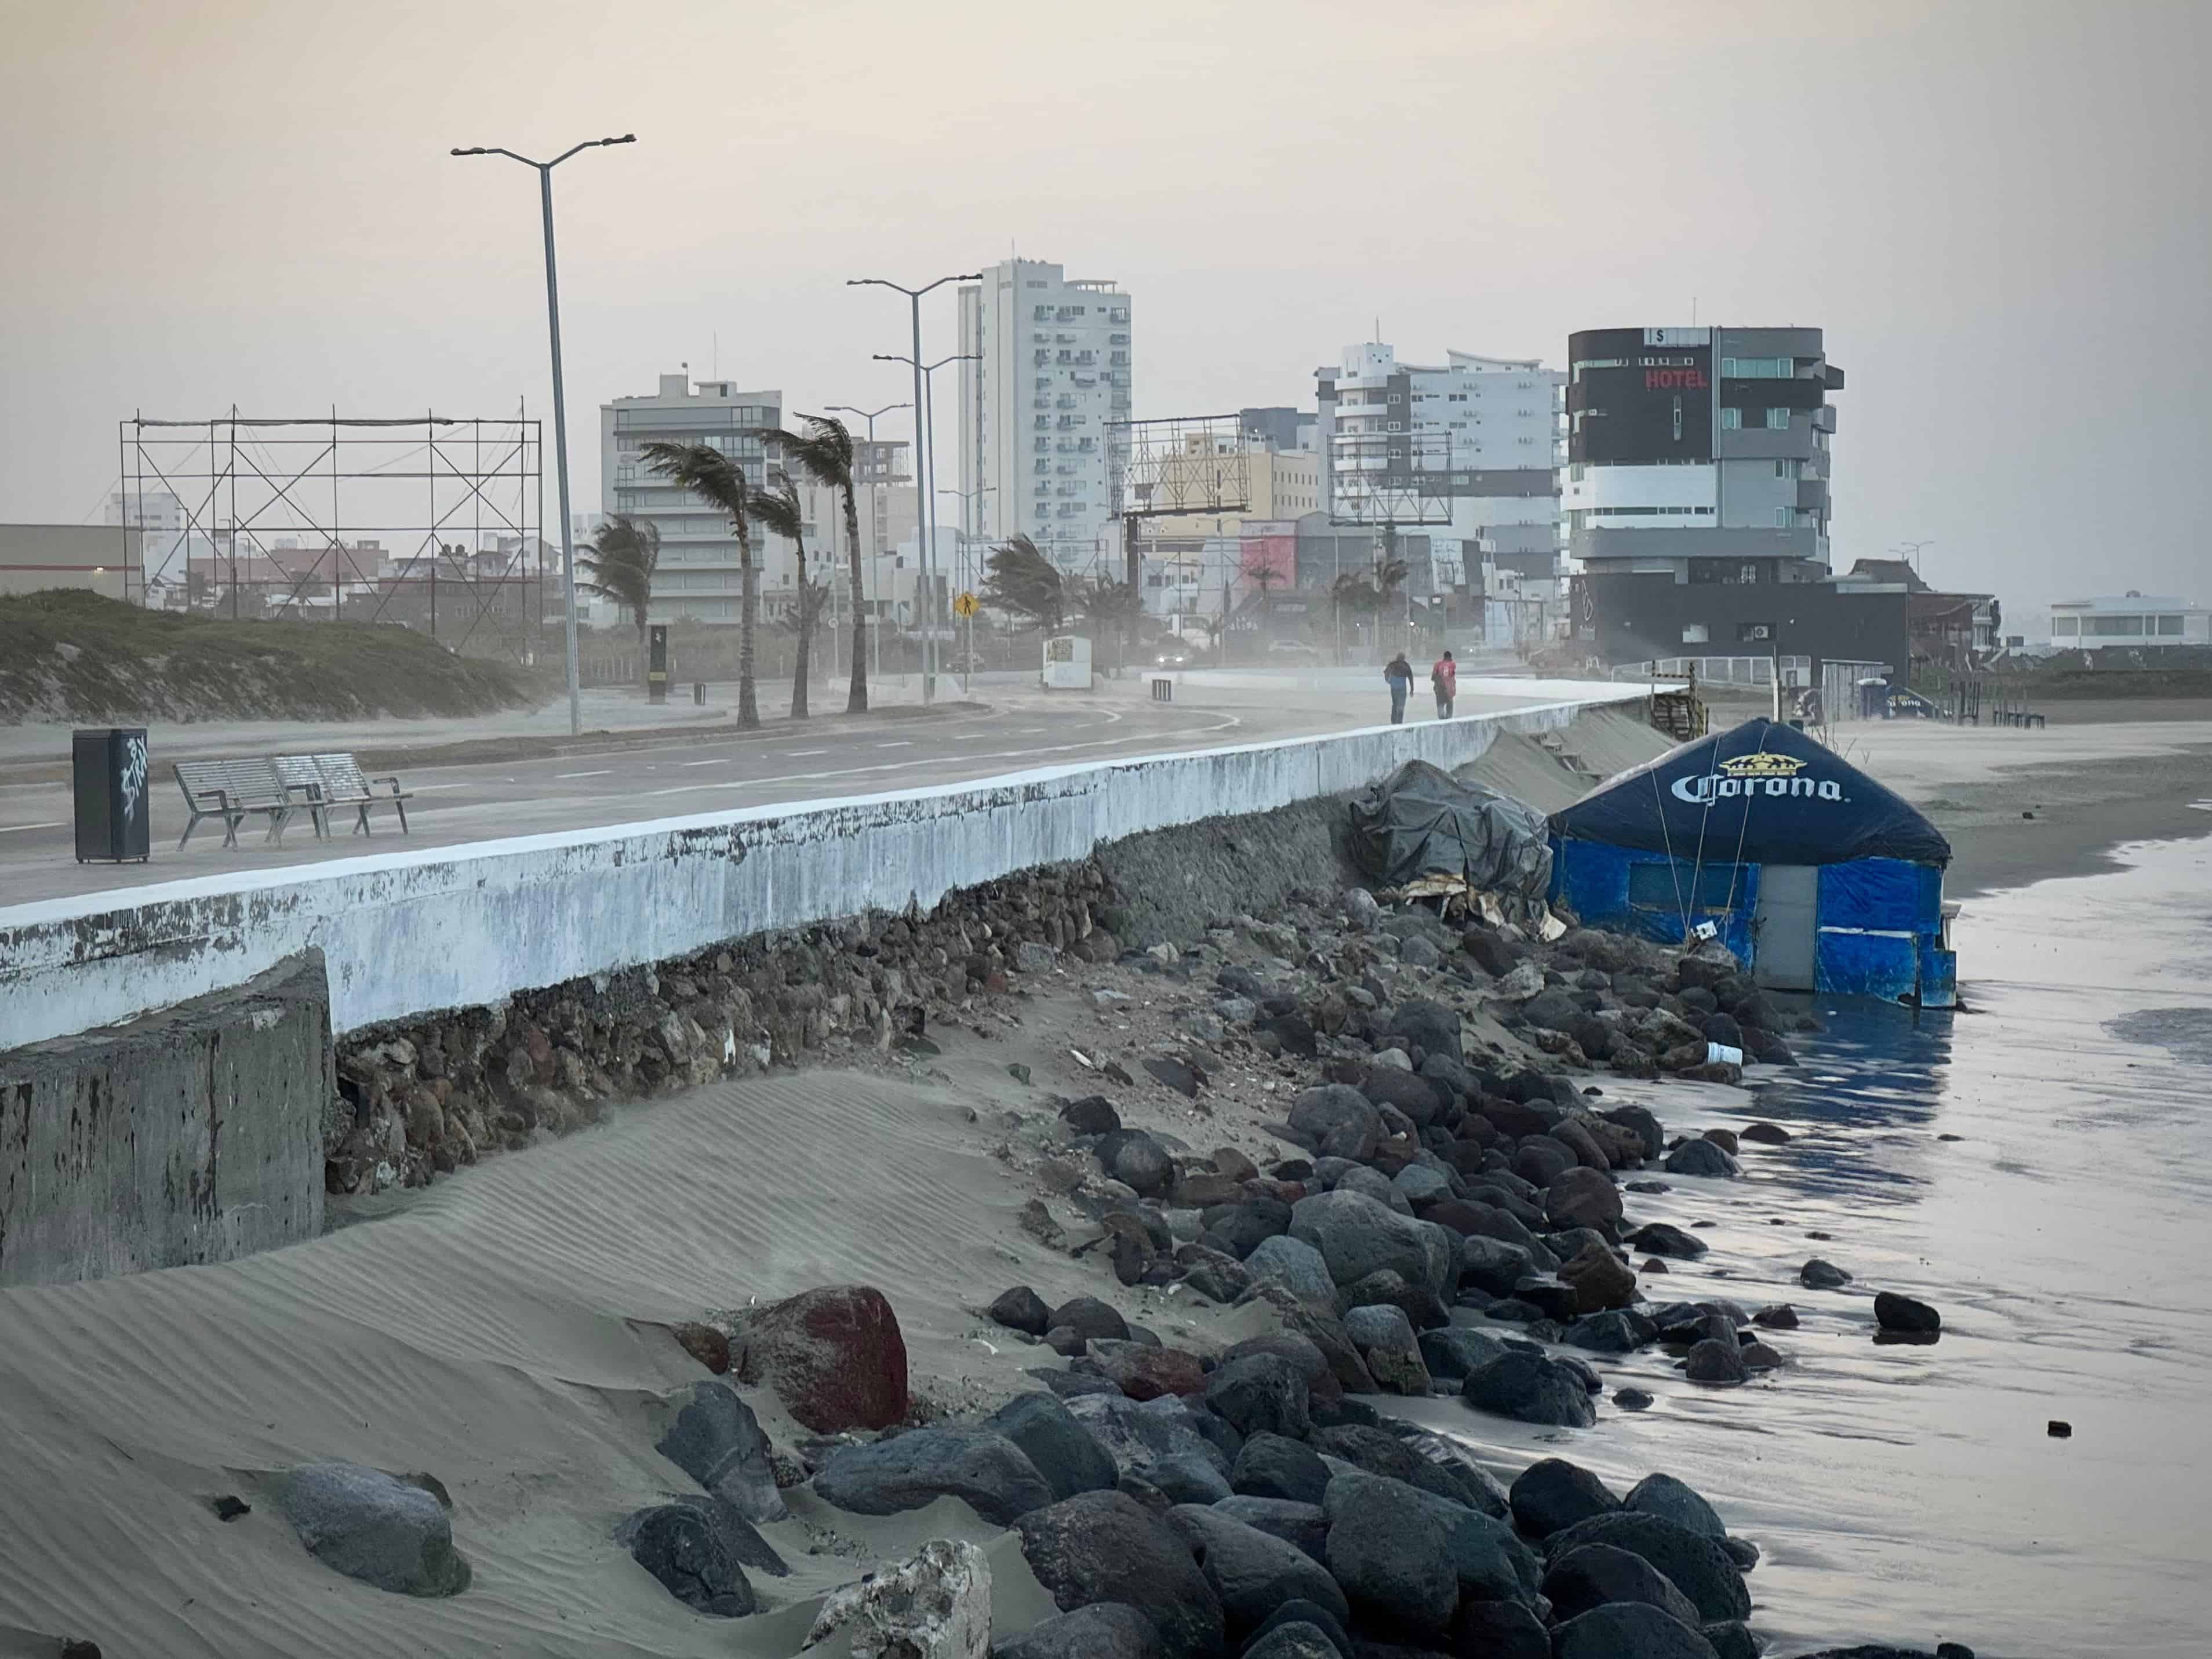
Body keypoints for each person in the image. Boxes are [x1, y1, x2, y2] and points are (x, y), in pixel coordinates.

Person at [1383, 652, 1414, 724]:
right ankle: (1399, 721)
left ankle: (1393, 721)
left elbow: (1386, 673)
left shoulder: (1392, 664)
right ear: (1404, 658)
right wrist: (1412, 690)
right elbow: (1411, 678)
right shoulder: (1406, 665)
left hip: (1394, 687)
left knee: (1395, 704)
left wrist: (1389, 681)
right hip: (1402, 688)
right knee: (1401, 705)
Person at [1431, 649, 1457, 719]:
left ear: (1444, 657)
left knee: (1440, 705)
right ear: (1450, 657)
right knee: (1450, 707)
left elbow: (1433, 678)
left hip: (1439, 689)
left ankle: (1442, 720)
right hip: (1449, 690)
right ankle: (1448, 721)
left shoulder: (1438, 664)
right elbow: (1452, 677)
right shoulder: (1453, 665)